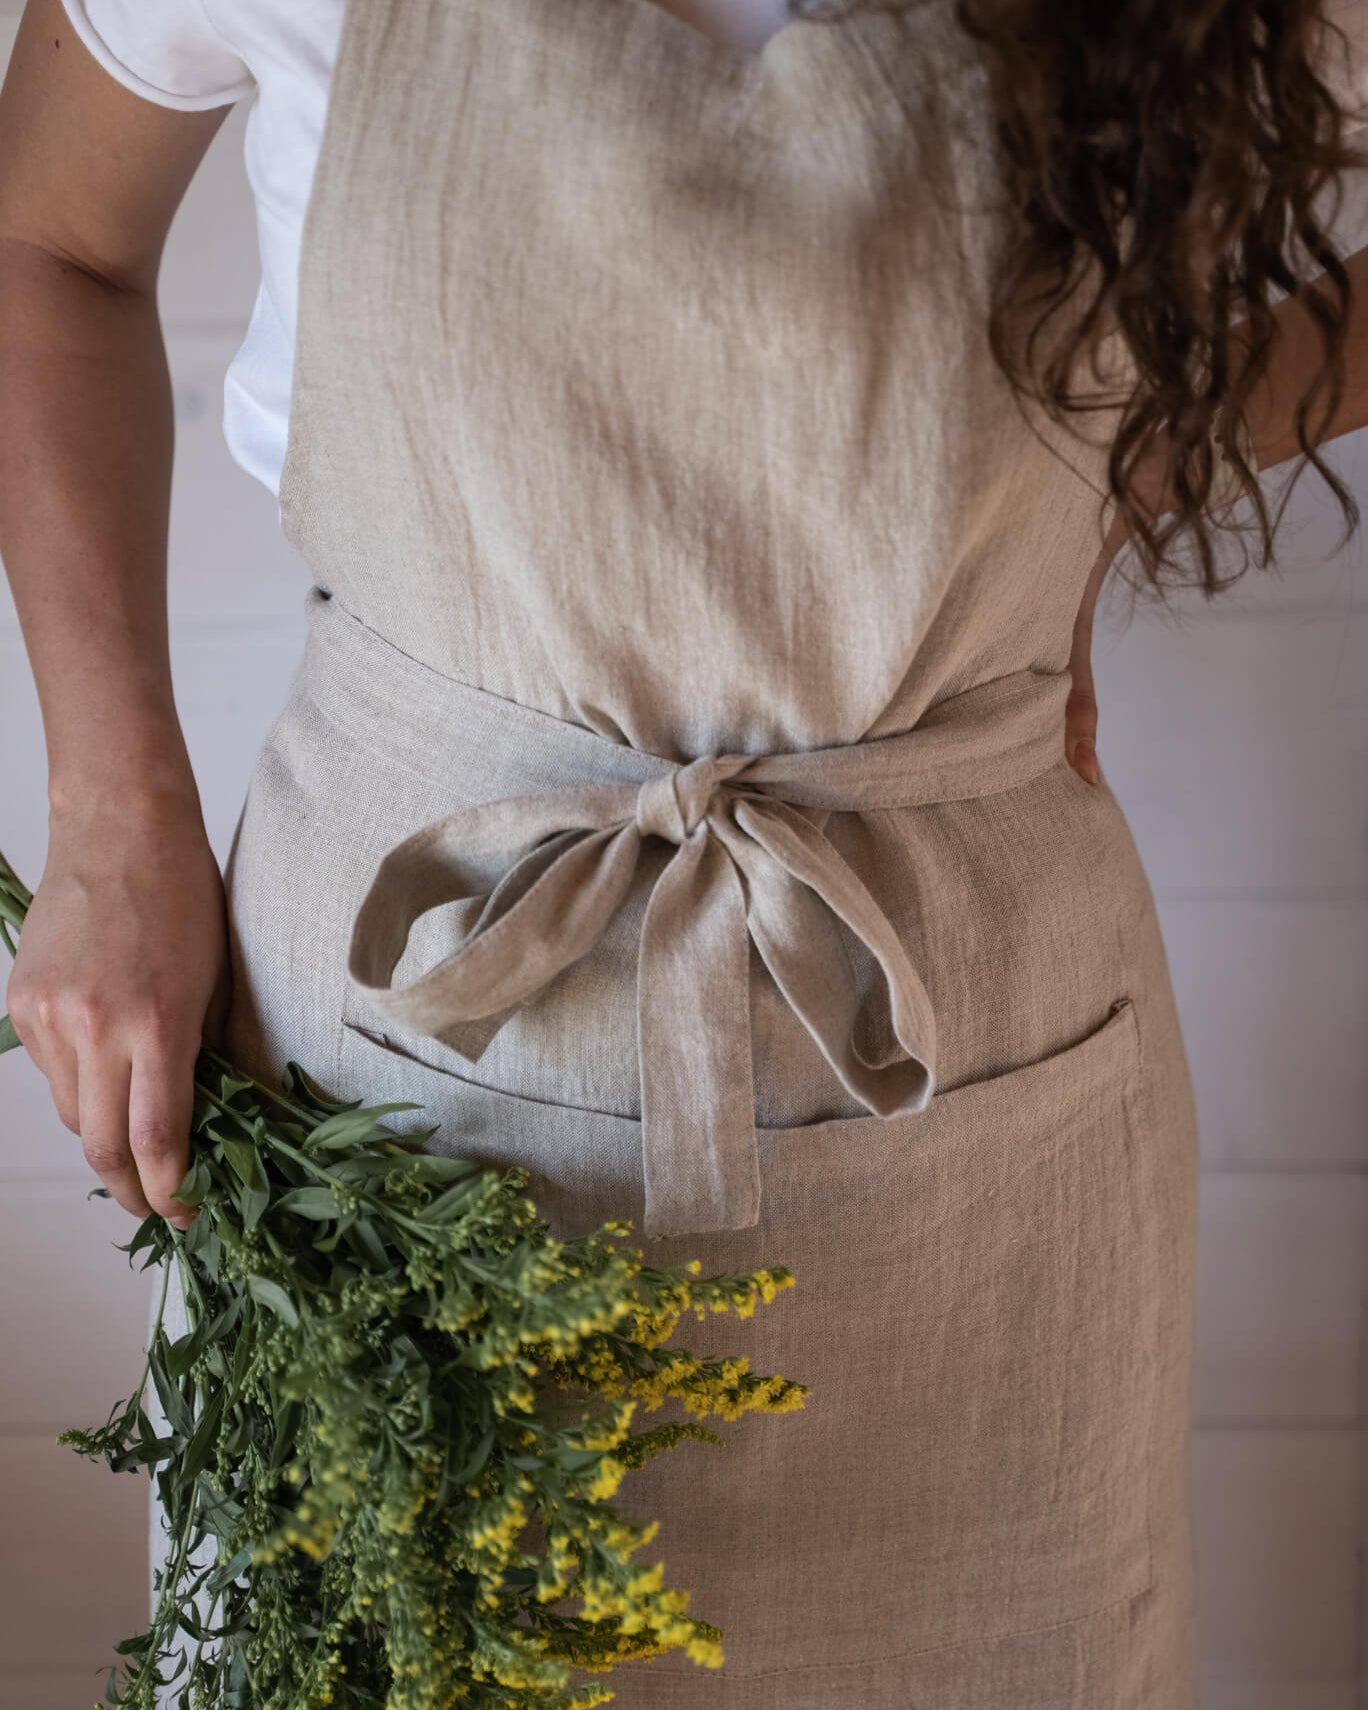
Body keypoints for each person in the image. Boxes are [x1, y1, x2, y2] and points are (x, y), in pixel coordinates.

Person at [2, 0, 1367, 1703]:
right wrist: (111, 812)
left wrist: (1111, 461)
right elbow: (50, 237)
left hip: (988, 1190)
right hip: (400, 1098)